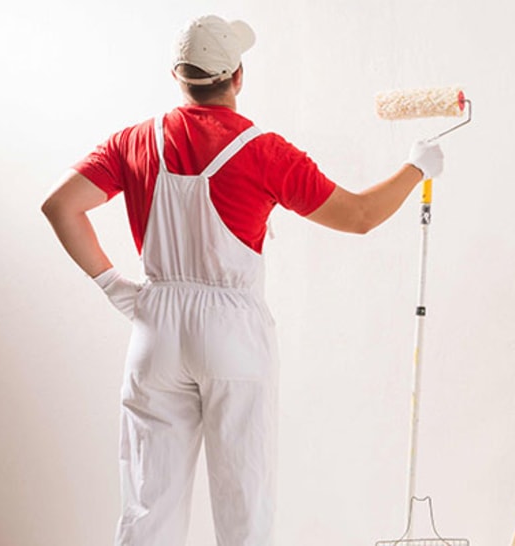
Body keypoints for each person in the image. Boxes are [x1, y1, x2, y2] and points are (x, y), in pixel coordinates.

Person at [41, 14, 443, 546]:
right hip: (231, 333)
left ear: (178, 76)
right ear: (237, 77)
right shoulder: (262, 150)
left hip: (154, 329)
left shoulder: (133, 141)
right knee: (244, 503)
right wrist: (417, 168)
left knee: (147, 504)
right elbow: (360, 216)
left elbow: (60, 205)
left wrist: (118, 288)